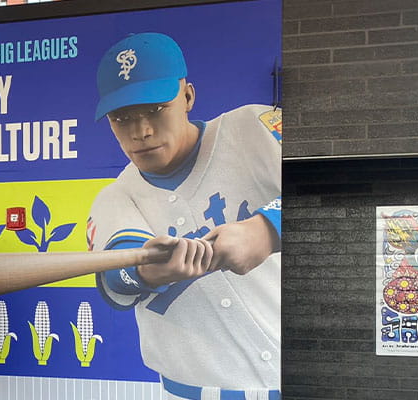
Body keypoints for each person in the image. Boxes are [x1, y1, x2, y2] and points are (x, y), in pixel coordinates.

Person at [87, 32, 282, 399]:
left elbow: (338, 187)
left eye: (155, 109)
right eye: (122, 117)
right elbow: (115, 278)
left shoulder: (254, 127)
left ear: (188, 96)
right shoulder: (114, 198)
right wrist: (146, 271)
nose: (141, 131)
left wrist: (269, 228)